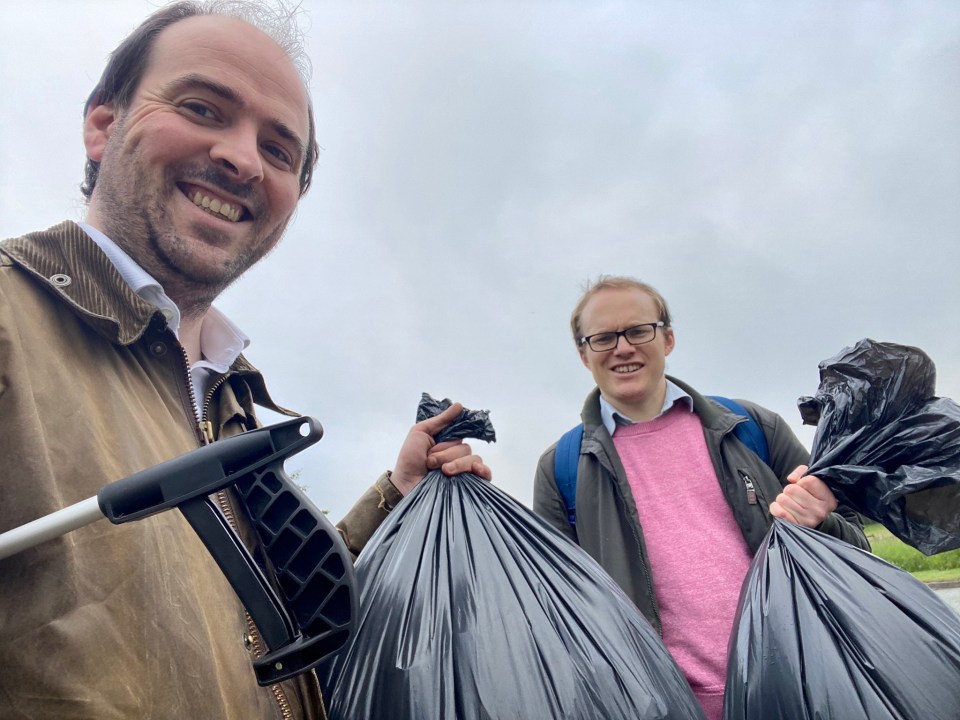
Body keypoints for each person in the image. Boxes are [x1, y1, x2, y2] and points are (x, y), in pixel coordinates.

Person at [0, 3, 488, 719]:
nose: (241, 158)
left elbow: (251, 628)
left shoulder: (229, 395)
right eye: (202, 107)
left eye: (280, 151)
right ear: (103, 125)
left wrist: (395, 492)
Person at [532, 275, 868, 720]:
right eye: (603, 338)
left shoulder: (753, 428)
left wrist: (820, 522)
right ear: (583, 354)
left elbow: (860, 552)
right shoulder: (562, 468)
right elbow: (557, 611)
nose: (623, 347)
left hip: (800, 691)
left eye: (638, 330)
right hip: (658, 707)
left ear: (667, 338)